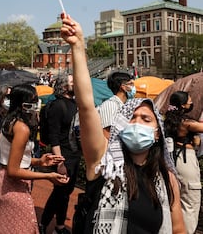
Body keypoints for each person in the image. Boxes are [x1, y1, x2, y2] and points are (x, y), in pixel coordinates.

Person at [60, 14, 185, 233]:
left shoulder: (167, 179)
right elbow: (86, 106)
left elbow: (178, 229)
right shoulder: (103, 164)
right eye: (130, 118)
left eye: (145, 119)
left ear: (158, 133)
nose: (136, 123)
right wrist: (78, 46)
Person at [0, 84, 69, 234]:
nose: (37, 104)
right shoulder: (22, 128)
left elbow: (12, 159)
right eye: (33, 100)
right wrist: (48, 176)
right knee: (22, 227)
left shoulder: (10, 121)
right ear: (23, 104)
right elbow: (13, 170)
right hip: (13, 185)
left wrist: (39, 162)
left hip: (5, 181)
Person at [40, 74, 80, 234]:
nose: (75, 84)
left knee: (65, 193)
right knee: (60, 192)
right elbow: (53, 136)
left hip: (74, 154)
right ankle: (44, 224)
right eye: (72, 82)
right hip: (63, 155)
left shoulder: (75, 104)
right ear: (64, 87)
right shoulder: (58, 106)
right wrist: (60, 162)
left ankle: (60, 226)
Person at [164, 91, 202, 234]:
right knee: (190, 202)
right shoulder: (186, 123)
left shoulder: (168, 121)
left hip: (173, 160)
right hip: (186, 161)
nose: (192, 104)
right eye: (190, 101)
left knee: (175, 201)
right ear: (183, 105)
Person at [97, 72, 134, 139]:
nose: (134, 87)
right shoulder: (110, 105)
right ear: (123, 87)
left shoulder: (125, 105)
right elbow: (107, 134)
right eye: (131, 84)